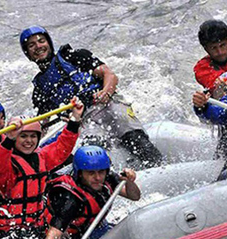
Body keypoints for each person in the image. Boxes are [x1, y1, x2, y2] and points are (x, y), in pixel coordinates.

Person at [19, 25, 162, 168]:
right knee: (93, 153)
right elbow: (42, 124)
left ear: (49, 43)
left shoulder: (74, 56)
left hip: (109, 105)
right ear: (28, 53)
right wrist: (23, 138)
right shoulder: (40, 89)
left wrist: (105, 92)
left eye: (41, 41)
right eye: (31, 45)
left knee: (135, 139)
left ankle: (157, 164)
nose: (38, 46)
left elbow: (109, 75)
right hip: (86, 121)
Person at [0, 97, 84, 239]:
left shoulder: (41, 157)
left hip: (35, 226)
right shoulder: (3, 161)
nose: (29, 141)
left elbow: (61, 148)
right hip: (8, 234)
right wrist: (9, 140)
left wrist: (75, 120)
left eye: (33, 136)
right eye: (23, 136)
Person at [42, 145, 141, 239]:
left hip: (94, 228)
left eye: (101, 172)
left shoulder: (109, 178)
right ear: (80, 174)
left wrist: (130, 182)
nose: (97, 177)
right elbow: (52, 235)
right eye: (91, 173)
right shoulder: (69, 199)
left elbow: (134, 196)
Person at [192, 20, 227, 100]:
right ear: (206, 49)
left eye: (222, 45)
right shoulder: (202, 68)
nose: (220, 52)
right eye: (213, 48)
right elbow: (218, 92)